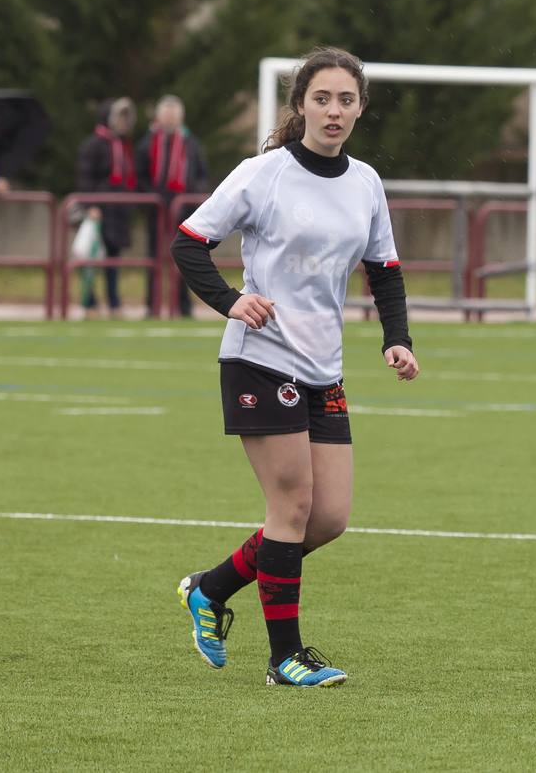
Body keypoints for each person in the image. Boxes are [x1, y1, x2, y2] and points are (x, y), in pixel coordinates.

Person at [169, 47, 419, 688]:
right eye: (322, 98)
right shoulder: (264, 174)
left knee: (328, 518)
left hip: (322, 368)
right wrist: (231, 300)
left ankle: (211, 588)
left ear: (361, 108)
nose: (334, 111)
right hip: (260, 359)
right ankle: (286, 657)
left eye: (346, 100)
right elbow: (190, 242)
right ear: (300, 105)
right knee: (292, 505)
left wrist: (397, 337)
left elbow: (383, 267)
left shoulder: (365, 182)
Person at [136, 94, 209, 317]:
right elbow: (139, 176)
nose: (169, 119)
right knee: (153, 258)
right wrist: (151, 198)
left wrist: (191, 200)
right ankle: (153, 306)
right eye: (166, 115)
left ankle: (184, 306)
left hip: (184, 212)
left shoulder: (191, 143)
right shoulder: (148, 142)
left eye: (173, 115)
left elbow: (200, 175)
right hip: (156, 211)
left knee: (184, 258)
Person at [75, 97, 137, 319]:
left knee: (113, 258)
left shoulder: (124, 145)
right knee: (91, 257)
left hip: (118, 211)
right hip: (99, 210)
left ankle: (113, 302)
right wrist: (90, 204)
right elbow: (85, 176)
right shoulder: (94, 144)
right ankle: (89, 302)